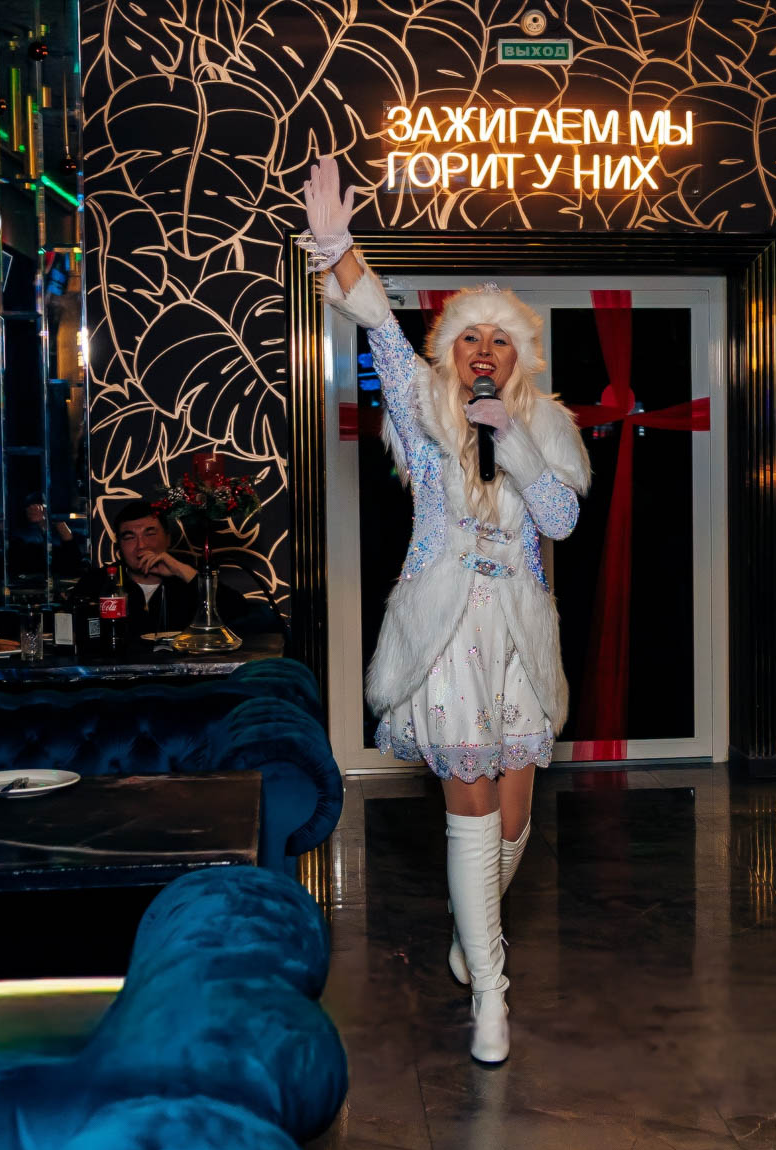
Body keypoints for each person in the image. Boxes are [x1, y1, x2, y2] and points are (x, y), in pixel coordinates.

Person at [299, 156, 591, 1065]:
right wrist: (341, 251)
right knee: (470, 806)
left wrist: (518, 444)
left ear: (519, 357)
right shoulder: (426, 420)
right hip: (449, 630)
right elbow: (383, 331)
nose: (484, 351)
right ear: (453, 353)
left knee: (514, 822)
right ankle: (491, 994)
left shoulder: (547, 427)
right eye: (470, 339)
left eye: (500, 340)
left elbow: (560, 521)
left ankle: (476, 937)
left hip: (520, 636)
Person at [78, 500, 248, 635]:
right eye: (130, 537)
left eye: (150, 534)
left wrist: (182, 571)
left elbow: (244, 614)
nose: (141, 545)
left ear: (168, 539)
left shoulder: (185, 582)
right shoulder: (98, 582)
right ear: (119, 547)